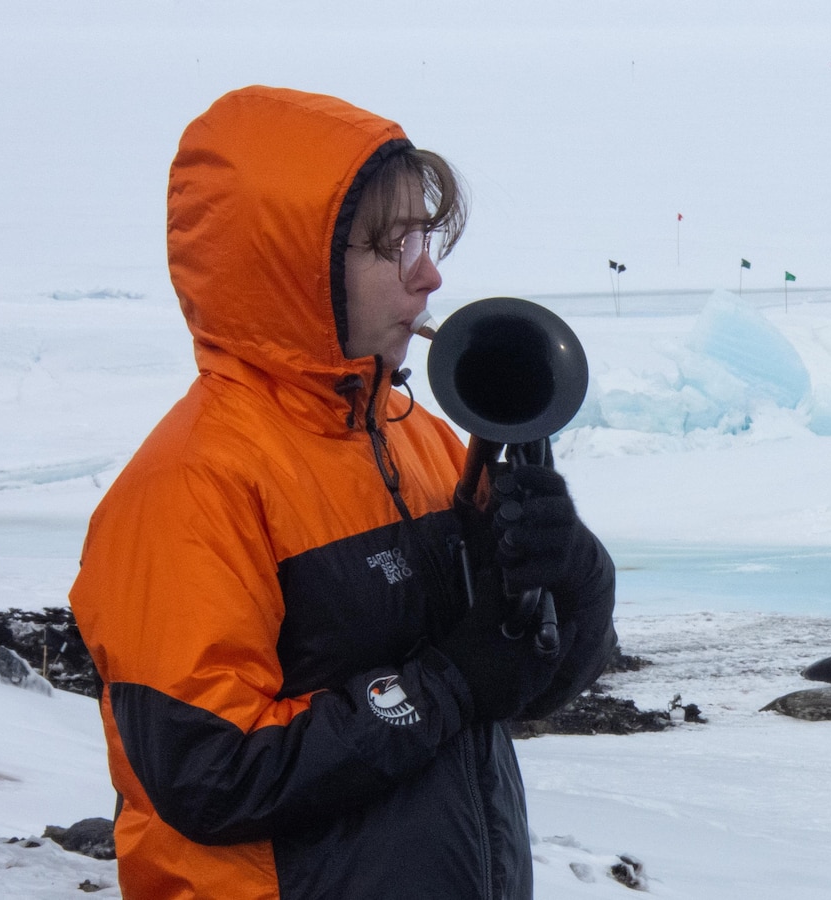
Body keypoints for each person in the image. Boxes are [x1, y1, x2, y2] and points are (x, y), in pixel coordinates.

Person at [70, 85, 616, 899]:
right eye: (392, 247)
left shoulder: (419, 441)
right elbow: (209, 774)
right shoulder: (190, 488)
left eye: (425, 239)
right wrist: (443, 686)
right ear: (294, 268)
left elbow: (522, 681)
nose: (430, 275)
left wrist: (575, 577)